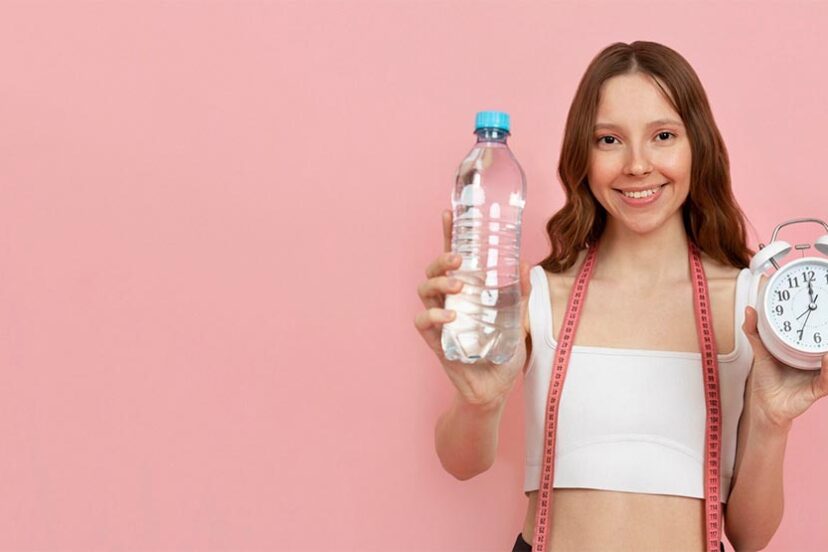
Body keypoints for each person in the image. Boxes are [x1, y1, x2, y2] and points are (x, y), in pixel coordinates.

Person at [414, 40, 828, 551]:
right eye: (609, 140)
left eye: (663, 135)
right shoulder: (540, 295)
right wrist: (479, 403)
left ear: (696, 145)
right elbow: (461, 464)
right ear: (581, 158)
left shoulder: (747, 304)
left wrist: (772, 419)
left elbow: (749, 536)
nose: (637, 165)